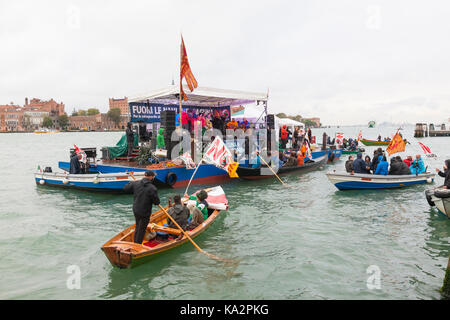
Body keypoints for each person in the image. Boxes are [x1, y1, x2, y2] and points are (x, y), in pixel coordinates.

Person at [123, 170, 160, 244]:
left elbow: (125, 188)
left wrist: (133, 183)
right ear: (151, 177)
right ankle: (137, 245)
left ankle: (135, 242)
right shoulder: (152, 188)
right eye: (153, 176)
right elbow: (157, 202)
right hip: (145, 212)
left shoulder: (136, 183)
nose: (153, 177)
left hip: (136, 209)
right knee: (142, 229)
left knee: (138, 226)